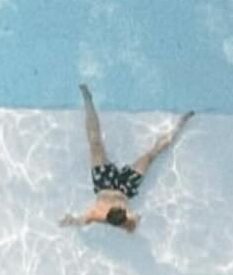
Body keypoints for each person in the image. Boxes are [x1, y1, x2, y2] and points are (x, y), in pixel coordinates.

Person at [60, 84, 193, 233]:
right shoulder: (126, 219)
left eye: (118, 208)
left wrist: (70, 220)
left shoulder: (97, 214)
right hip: (126, 186)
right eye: (122, 209)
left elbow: (81, 221)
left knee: (95, 143)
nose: (120, 206)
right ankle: (180, 124)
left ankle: (88, 100)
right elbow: (133, 225)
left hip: (104, 183)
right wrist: (134, 219)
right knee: (151, 156)